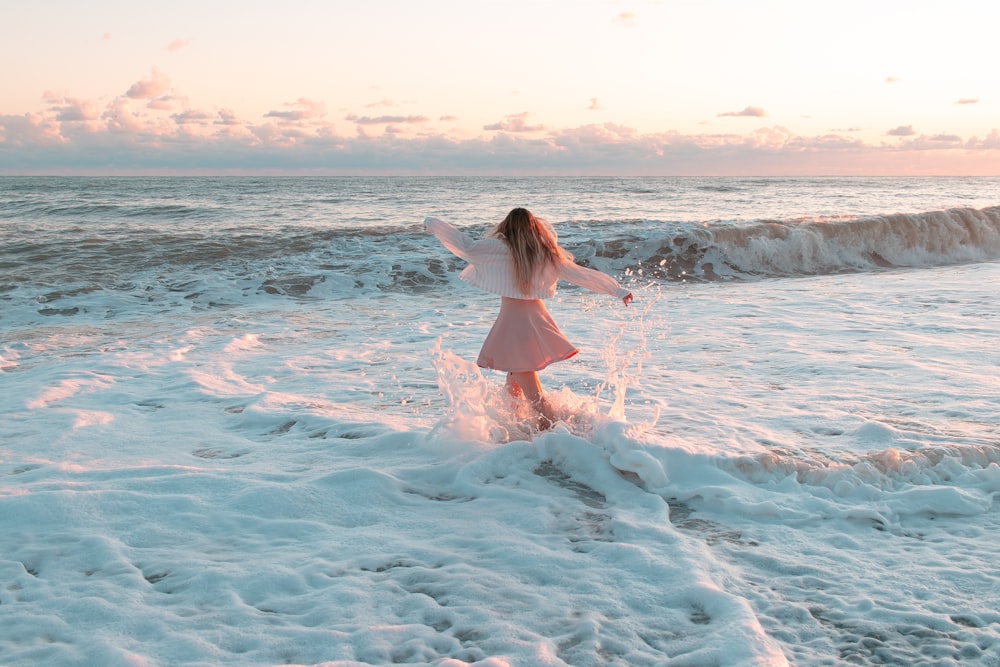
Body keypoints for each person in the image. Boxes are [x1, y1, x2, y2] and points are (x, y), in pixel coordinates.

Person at [425, 207, 633, 428]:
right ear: (534, 227)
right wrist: (616, 290)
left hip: (516, 321)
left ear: (506, 226)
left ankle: (552, 432)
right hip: (533, 316)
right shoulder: (543, 253)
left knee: (532, 394)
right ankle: (518, 430)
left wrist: (434, 223)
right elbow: (580, 274)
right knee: (514, 382)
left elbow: (463, 244)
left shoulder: (497, 249)